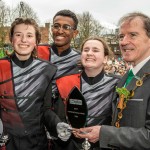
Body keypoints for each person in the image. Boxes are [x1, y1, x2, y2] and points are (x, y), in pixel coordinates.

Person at [75, 12, 150, 150]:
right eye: (121, 36)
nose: (123, 42)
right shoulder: (126, 77)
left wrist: (104, 133)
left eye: (133, 35)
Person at [0, 18, 71, 150]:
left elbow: (46, 109)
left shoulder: (47, 70)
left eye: (29, 35)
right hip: (6, 142)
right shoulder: (0, 66)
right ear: (11, 39)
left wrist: (57, 125)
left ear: (36, 41)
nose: (23, 40)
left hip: (37, 143)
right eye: (18, 35)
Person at [55, 36, 120, 150]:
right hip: (70, 144)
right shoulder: (65, 82)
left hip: (104, 145)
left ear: (105, 58)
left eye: (95, 50)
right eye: (86, 50)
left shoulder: (118, 83)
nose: (89, 53)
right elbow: (55, 114)